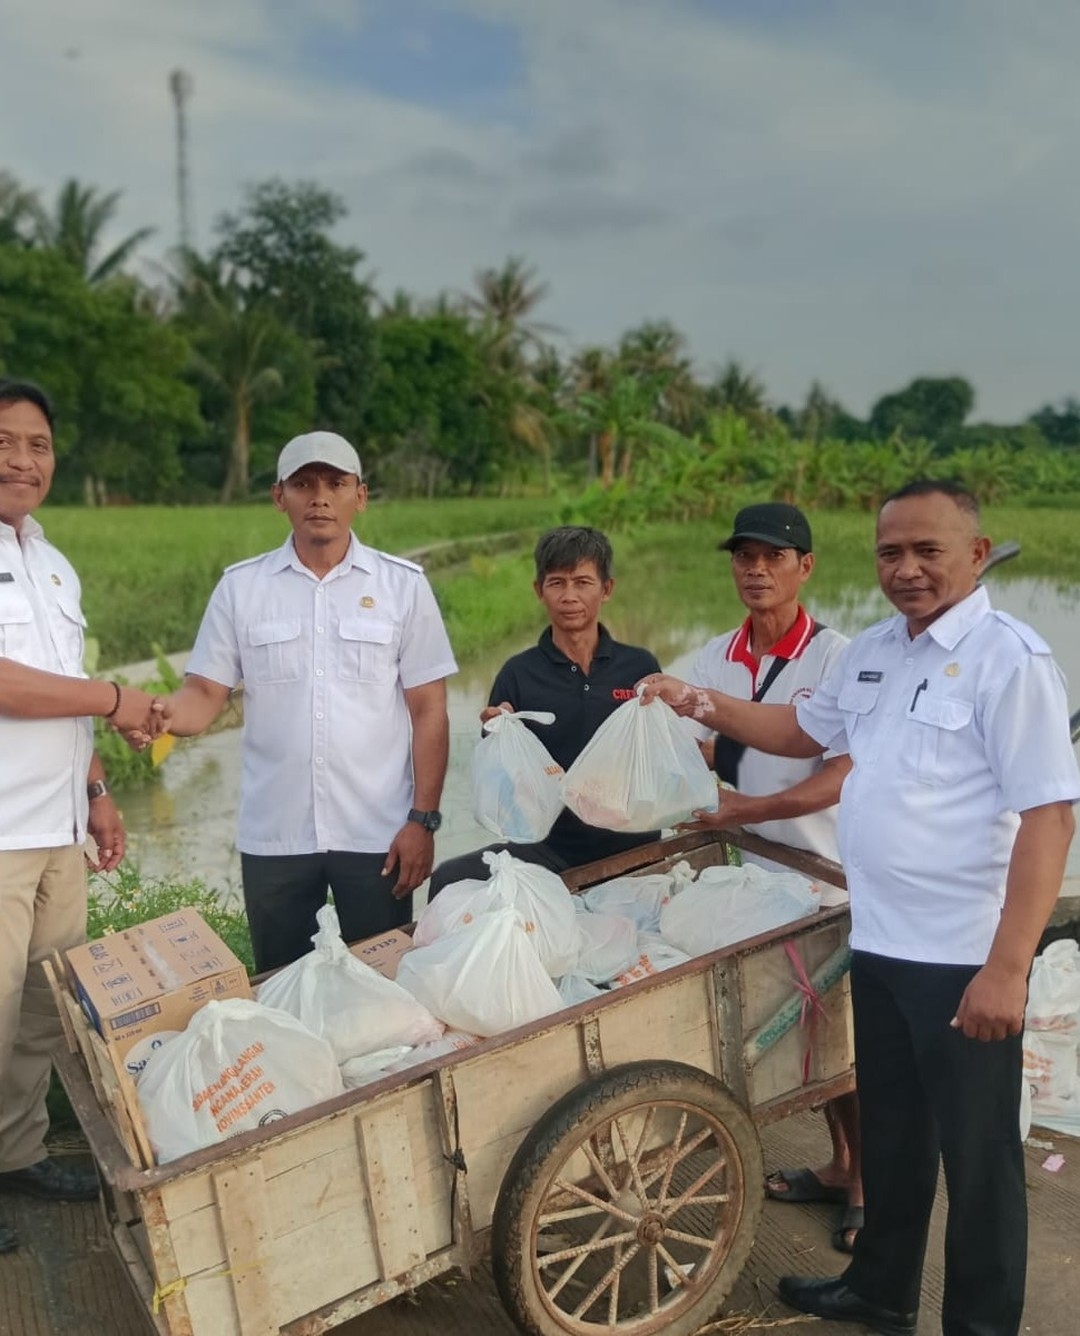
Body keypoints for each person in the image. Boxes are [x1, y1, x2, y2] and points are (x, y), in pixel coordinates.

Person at [640, 480, 1080, 1336]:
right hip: (878, 938)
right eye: (890, 553)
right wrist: (693, 699)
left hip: (963, 956)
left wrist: (1008, 967)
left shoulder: (1009, 658)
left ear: (977, 555)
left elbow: (1050, 818)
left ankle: (982, 1324)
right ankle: (880, 1289)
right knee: (898, 1134)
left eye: (929, 551)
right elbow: (804, 731)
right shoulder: (874, 650)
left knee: (980, 1158)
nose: (907, 570)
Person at [141, 431, 457, 974]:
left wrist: (422, 821)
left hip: (377, 832)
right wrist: (162, 715)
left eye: (336, 483)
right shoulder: (241, 589)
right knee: (282, 987)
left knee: (383, 986)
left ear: (361, 496)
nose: (320, 497)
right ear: (278, 496)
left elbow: (428, 710)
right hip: (276, 835)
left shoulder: (402, 587)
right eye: (303, 483)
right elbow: (204, 693)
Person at [0, 378, 157, 1255]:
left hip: (56, 829)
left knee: (36, 1014)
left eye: (38, 445)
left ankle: (16, 1154)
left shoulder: (53, 563)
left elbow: (60, 693)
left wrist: (95, 790)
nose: (23, 459)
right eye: (5, 442)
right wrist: (116, 697)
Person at [684, 502, 862, 1253]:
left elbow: (844, 774)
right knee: (808, 1044)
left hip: (832, 877)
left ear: (805, 568)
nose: (756, 570)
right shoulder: (711, 658)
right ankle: (837, 1163)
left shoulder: (840, 657)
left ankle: (867, 1183)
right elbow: (691, 755)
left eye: (774, 557)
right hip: (757, 876)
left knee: (848, 1046)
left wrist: (750, 806)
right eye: (744, 557)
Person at [428, 526, 661, 895]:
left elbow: (657, 757)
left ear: (607, 589)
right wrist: (497, 735)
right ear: (540, 591)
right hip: (549, 847)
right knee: (450, 878)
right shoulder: (518, 674)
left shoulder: (638, 667)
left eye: (583, 582)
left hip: (631, 840)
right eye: (557, 583)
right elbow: (501, 783)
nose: (570, 596)